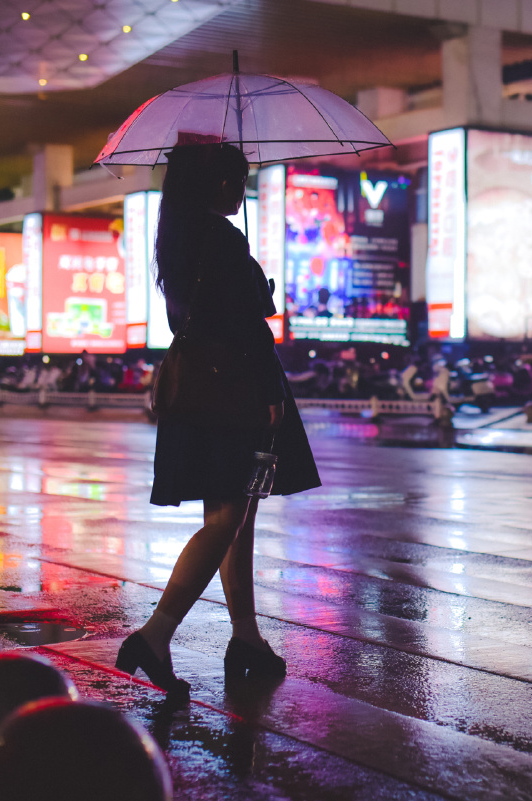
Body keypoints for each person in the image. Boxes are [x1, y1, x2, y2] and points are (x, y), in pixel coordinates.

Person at [117, 142, 320, 695]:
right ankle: (156, 633)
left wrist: (252, 286)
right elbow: (246, 330)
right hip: (235, 390)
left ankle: (246, 635)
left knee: (237, 512)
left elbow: (207, 315)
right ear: (216, 186)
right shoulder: (224, 239)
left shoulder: (179, 238)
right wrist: (270, 386)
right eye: (236, 180)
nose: (240, 189)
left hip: (197, 387)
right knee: (228, 516)